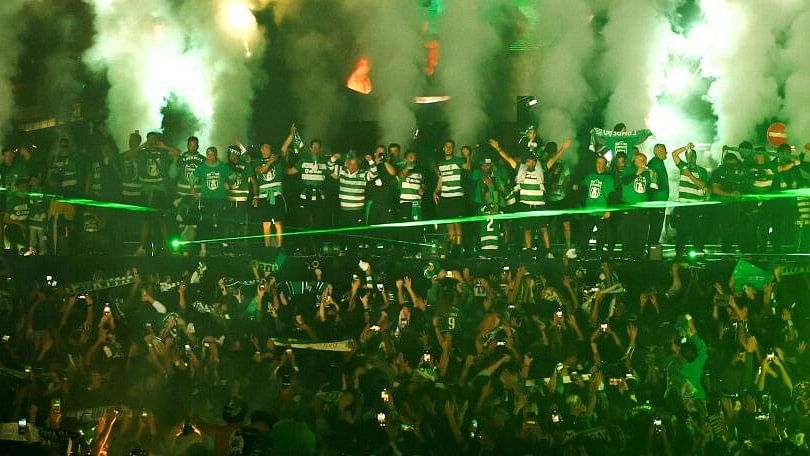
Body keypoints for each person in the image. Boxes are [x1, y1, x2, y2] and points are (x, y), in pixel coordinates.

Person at [193, 146, 234, 257]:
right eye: (208, 154)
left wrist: (229, 184)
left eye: (212, 154)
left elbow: (233, 177)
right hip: (206, 200)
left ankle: (223, 247)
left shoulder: (223, 167)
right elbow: (192, 179)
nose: (210, 157)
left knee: (222, 222)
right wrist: (194, 192)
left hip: (220, 199)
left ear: (216, 155)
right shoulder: (201, 167)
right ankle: (203, 248)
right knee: (205, 223)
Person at [433, 140, 471, 256]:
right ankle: (453, 247)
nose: (449, 148)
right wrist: (435, 191)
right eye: (447, 146)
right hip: (445, 196)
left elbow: (468, 167)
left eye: (451, 146)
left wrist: (468, 156)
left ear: (453, 149)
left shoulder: (458, 160)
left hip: (457, 195)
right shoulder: (440, 164)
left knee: (457, 222)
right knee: (449, 222)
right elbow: (441, 179)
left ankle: (459, 248)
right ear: (443, 148)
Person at [671, 143, 708, 257]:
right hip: (683, 206)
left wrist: (690, 176)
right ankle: (679, 254)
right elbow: (674, 154)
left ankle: (698, 253)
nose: (691, 158)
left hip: (697, 206)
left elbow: (702, 185)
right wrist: (686, 148)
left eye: (693, 156)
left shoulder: (701, 170)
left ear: (696, 157)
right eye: (689, 156)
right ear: (686, 157)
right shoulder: (683, 166)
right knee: (682, 231)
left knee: (698, 231)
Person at [619, 150, 657, 257]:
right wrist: (637, 173)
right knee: (628, 232)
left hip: (643, 208)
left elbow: (651, 189)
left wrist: (653, 177)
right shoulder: (628, 169)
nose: (643, 161)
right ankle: (627, 255)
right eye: (640, 159)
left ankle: (639, 255)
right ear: (634, 160)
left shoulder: (648, 172)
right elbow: (624, 181)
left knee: (642, 232)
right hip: (629, 206)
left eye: (645, 160)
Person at [710, 150, 747, 252]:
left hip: (738, 207)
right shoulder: (718, 172)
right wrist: (730, 194)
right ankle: (725, 254)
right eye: (731, 165)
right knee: (726, 232)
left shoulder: (740, 172)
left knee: (737, 231)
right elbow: (715, 189)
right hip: (724, 207)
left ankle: (732, 253)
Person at [254, 142, 287, 249]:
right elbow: (262, 171)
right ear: (261, 150)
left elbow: (284, 148)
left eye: (268, 147)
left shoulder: (277, 160)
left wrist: (291, 135)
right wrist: (270, 162)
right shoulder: (257, 162)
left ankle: (279, 247)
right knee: (266, 224)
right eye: (264, 147)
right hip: (264, 197)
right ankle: (267, 248)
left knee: (278, 223)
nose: (267, 149)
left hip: (277, 196)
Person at [580, 156, 616, 255]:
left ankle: (599, 254)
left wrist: (608, 210)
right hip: (589, 210)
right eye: (598, 162)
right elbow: (582, 191)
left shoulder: (609, 178)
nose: (599, 165)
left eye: (602, 163)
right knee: (585, 233)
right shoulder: (589, 176)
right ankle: (583, 253)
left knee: (601, 235)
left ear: (605, 165)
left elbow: (612, 196)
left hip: (601, 211)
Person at [647, 144, 670, 248]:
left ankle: (652, 246)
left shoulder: (657, 162)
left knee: (655, 225)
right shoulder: (656, 162)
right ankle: (653, 247)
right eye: (665, 150)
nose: (667, 153)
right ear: (659, 151)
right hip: (657, 201)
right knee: (656, 225)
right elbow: (654, 180)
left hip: (657, 200)